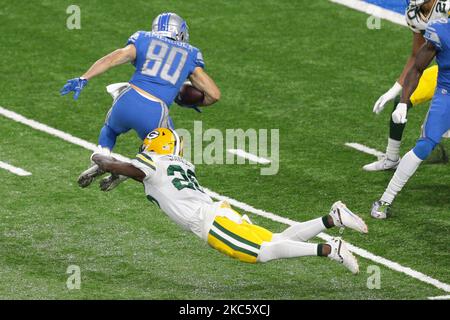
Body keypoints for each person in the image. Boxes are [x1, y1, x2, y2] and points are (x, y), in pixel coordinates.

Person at [90, 128, 368, 273]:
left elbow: (126, 166)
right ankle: (333, 218)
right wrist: (119, 171)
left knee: (263, 253)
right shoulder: (178, 164)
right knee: (275, 239)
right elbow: (145, 175)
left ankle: (331, 250)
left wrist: (99, 159)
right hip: (219, 212)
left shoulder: (150, 161)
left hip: (208, 221)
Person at [60, 12, 220, 187]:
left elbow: (112, 59)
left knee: (110, 130)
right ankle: (125, 172)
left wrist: (84, 78)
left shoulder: (143, 38)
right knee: (166, 152)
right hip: (155, 110)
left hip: (127, 98)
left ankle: (101, 155)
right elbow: (214, 94)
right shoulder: (190, 54)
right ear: (180, 32)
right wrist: (192, 102)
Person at [372, 17, 450, 218]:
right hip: (447, 93)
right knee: (424, 146)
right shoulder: (441, 32)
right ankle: (385, 199)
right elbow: (417, 69)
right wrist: (403, 103)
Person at [365, 0, 449, 171]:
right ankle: (391, 157)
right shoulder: (414, 14)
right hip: (444, 72)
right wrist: (394, 89)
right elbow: (416, 57)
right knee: (402, 100)